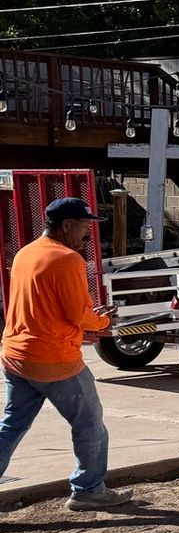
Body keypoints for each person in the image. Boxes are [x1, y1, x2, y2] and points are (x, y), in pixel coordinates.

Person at [0, 196, 127, 510]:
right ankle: (88, 490)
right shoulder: (69, 259)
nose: (88, 233)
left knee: (11, 426)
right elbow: (78, 316)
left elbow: (46, 305)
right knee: (90, 425)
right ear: (67, 225)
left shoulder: (25, 254)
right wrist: (103, 321)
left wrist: (87, 315)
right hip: (54, 361)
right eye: (85, 226)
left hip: (16, 354)